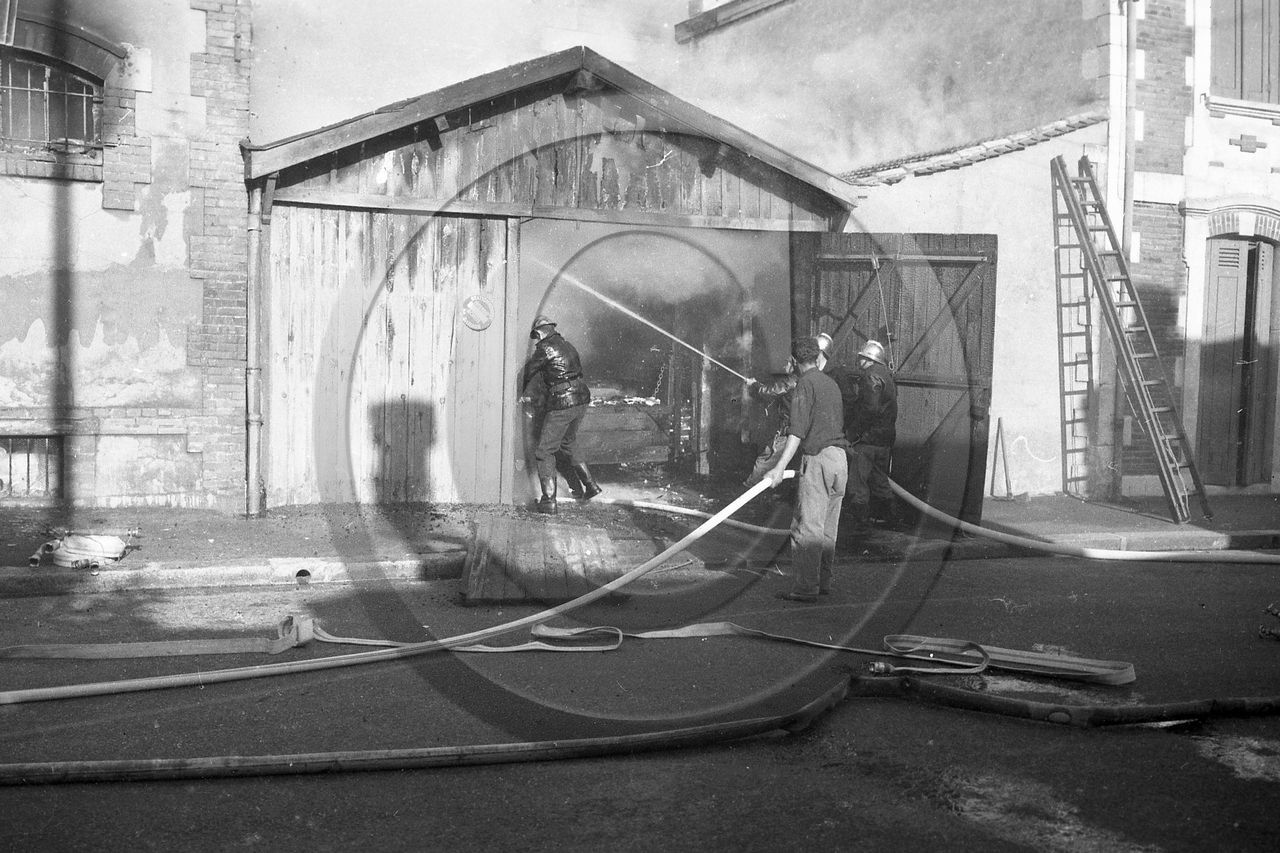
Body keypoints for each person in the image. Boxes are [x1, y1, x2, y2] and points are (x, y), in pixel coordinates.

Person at [761, 337, 849, 603]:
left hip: (818, 459)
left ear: (795, 361)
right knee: (828, 530)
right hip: (840, 460)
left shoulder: (804, 384)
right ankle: (823, 582)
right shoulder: (831, 384)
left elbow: (797, 432)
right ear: (817, 357)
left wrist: (778, 468)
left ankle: (805, 588)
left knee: (808, 528)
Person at [520, 315, 600, 514]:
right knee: (568, 442)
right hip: (581, 398)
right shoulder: (567, 345)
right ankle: (590, 486)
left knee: (544, 451)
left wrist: (518, 392)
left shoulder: (545, 348)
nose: (536, 341)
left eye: (536, 336)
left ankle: (548, 502)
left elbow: (527, 373)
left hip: (564, 401)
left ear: (539, 333)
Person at [845, 339, 898, 531]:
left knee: (857, 483)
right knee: (880, 481)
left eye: (861, 357)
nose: (858, 360)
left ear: (869, 359)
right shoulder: (887, 376)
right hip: (884, 440)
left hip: (868, 440)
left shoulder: (870, 376)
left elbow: (869, 409)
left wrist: (853, 432)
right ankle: (891, 519)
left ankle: (859, 524)